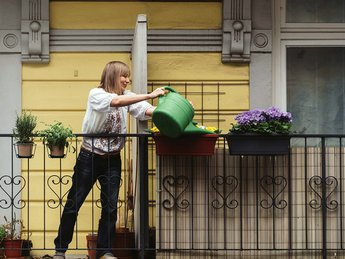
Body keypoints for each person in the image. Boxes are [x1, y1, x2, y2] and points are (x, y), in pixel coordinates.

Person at [53, 61, 165, 259]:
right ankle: (60, 249)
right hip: (89, 157)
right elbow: (115, 102)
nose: (127, 80)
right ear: (113, 75)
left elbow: (147, 110)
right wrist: (149, 94)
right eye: (124, 76)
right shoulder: (96, 94)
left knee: (110, 207)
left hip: (113, 160)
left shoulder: (127, 96)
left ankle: (104, 251)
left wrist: (174, 109)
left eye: (128, 76)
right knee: (74, 203)